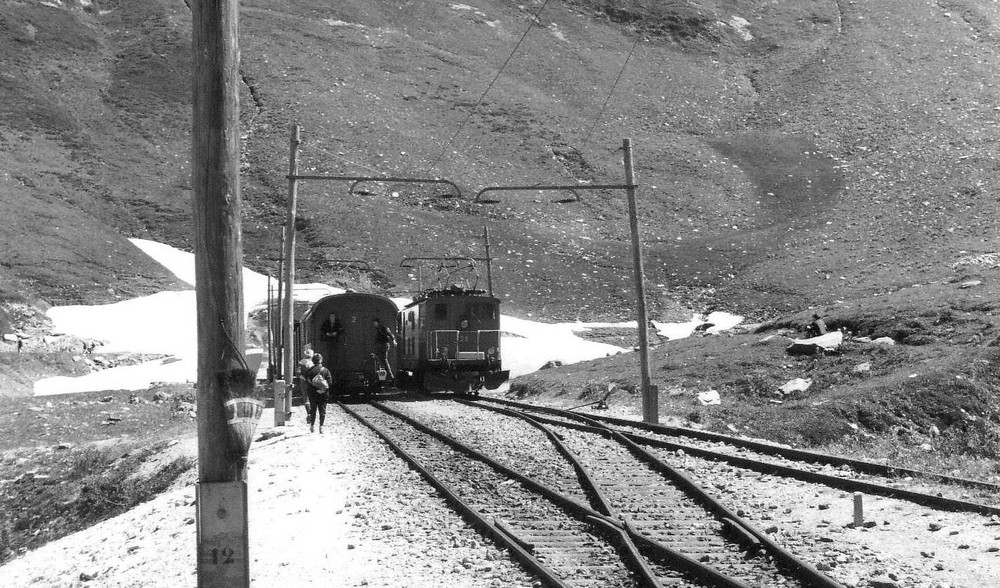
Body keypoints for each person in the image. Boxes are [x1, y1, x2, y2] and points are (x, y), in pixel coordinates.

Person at [304, 353, 332, 434]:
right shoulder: (326, 370)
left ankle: (312, 426)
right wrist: (322, 388)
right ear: (321, 360)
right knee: (322, 410)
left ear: (313, 361)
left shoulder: (309, 371)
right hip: (323, 393)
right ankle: (321, 427)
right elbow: (330, 382)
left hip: (312, 393)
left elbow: (307, 381)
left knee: (313, 409)